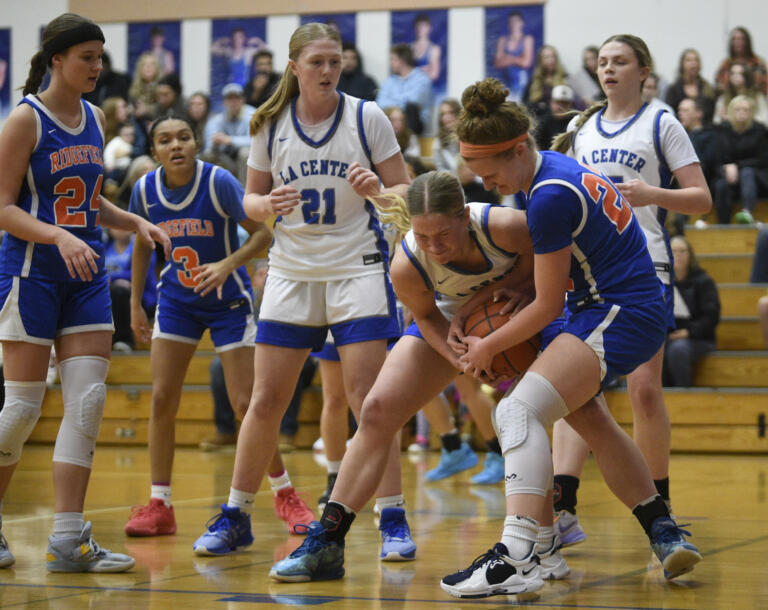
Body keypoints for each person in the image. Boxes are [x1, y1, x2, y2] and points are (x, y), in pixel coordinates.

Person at [441, 78, 700, 597]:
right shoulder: (556, 172)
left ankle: (519, 552)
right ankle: (661, 529)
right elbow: (550, 277)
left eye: (491, 174)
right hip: (616, 301)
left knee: (515, 412)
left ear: (519, 149)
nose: (488, 186)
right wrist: (501, 297)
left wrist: (488, 344)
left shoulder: (549, 196)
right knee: (589, 417)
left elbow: (545, 303)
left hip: (619, 309)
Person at [267, 170, 556, 585]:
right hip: (448, 321)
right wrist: (464, 355)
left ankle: (548, 539)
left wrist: (518, 289)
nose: (433, 247)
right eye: (423, 237)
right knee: (378, 409)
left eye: (442, 235)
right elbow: (425, 316)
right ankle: (328, 540)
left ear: (465, 217)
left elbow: (547, 256)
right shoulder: (407, 263)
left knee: (552, 414)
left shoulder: (504, 226)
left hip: (528, 312)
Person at [192, 22, 412, 560]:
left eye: (335, 61)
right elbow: (249, 200)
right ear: (294, 67)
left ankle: (393, 519)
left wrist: (379, 192)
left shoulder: (367, 115)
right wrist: (264, 207)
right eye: (317, 62)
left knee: (370, 402)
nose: (329, 71)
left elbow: (407, 189)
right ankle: (237, 513)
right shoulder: (270, 122)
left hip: (356, 268)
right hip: (291, 270)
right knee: (266, 400)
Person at [0, 12, 170, 572]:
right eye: (87, 58)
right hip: (31, 273)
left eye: (100, 58)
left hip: (87, 274)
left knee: (89, 403)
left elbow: (88, 199)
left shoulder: (96, 117)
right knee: (22, 409)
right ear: (56, 59)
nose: (98, 67)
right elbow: (3, 208)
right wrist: (54, 236)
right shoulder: (24, 120)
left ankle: (68, 540)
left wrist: (134, 222)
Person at [549, 33, 711, 545]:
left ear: (643, 71)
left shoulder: (662, 122)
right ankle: (563, 508)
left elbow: (702, 199)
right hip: (589, 270)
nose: (609, 69)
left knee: (643, 389)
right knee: (575, 389)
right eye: (602, 62)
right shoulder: (579, 128)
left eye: (620, 62)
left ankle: (660, 507)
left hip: (647, 266)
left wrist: (651, 193)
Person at [123, 114, 314, 538]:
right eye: (165, 139)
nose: (176, 146)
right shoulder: (144, 190)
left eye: (184, 137)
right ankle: (160, 505)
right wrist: (136, 303)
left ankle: (285, 495)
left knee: (247, 404)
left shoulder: (218, 182)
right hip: (176, 301)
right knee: (160, 398)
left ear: (195, 142)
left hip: (228, 302)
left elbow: (262, 236)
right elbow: (141, 242)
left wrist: (227, 265)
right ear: (153, 150)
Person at [663, 236, 719, 387]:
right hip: (669, 336)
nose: (678, 255)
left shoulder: (704, 281)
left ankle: (682, 395)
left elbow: (711, 316)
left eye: (682, 251)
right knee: (653, 350)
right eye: (674, 251)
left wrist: (688, 332)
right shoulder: (663, 282)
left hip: (698, 338)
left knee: (678, 350)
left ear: (690, 255)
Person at [712, 95, 768, 224]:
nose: (742, 113)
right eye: (738, 109)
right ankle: (723, 224)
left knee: (747, 172)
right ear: (731, 112)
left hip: (756, 176)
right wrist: (725, 169)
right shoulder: (723, 130)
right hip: (729, 176)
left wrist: (737, 166)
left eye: (746, 110)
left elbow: (763, 160)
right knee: (721, 185)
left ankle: (747, 212)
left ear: (752, 113)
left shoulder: (760, 130)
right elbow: (717, 160)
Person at [104, 227, 157, 352]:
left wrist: (115, 278)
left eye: (123, 225)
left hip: (142, 297)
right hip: (111, 294)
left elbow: (144, 274)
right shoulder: (105, 247)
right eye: (115, 226)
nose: (120, 229)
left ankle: (124, 341)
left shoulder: (143, 245)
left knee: (120, 291)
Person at [201, 83, 256, 184]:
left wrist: (230, 140)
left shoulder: (252, 114)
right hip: (229, 159)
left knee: (244, 153)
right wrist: (215, 144)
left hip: (250, 159)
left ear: (243, 100)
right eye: (230, 99)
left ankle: (244, 193)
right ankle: (211, 193)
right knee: (208, 155)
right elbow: (209, 147)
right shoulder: (217, 119)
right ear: (224, 102)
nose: (233, 102)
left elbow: (255, 141)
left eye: (237, 98)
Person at [377, 43, 434, 135]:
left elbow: (413, 102)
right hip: (390, 127)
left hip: (415, 129)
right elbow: (380, 103)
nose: (390, 63)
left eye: (393, 59)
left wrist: (392, 103)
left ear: (402, 60)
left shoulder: (422, 79)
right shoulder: (388, 81)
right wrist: (399, 106)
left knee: (410, 109)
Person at [665, 49, 716, 125]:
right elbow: (670, 114)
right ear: (682, 65)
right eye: (688, 60)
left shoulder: (707, 88)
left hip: (704, 131)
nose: (693, 63)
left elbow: (710, 114)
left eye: (696, 60)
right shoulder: (674, 90)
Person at [493, 11, 534, 102]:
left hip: (521, 83)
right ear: (508, 24)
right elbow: (498, 63)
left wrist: (508, 58)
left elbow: (526, 63)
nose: (514, 24)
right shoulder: (503, 40)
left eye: (516, 21)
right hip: (505, 82)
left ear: (522, 23)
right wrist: (518, 59)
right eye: (511, 22)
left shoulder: (527, 39)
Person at [715, 27, 767, 96]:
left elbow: (765, 87)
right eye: (735, 39)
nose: (738, 42)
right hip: (730, 101)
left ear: (747, 41)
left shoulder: (758, 63)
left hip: (754, 101)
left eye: (741, 39)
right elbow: (719, 87)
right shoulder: (726, 64)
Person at [713, 62, 768, 126]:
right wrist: (722, 119)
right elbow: (716, 122)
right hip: (729, 133)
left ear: (747, 76)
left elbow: (764, 121)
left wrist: (744, 119)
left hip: (752, 133)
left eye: (740, 74)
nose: (735, 76)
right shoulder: (724, 98)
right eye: (733, 74)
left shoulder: (757, 97)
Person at [523, 45, 568, 118]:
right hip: (539, 121)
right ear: (541, 60)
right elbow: (525, 104)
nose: (551, 60)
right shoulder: (534, 80)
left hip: (560, 121)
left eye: (553, 56)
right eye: (547, 57)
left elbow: (572, 104)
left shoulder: (565, 78)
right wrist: (540, 106)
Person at [533, 84, 575, 151]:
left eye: (564, 103)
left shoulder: (575, 122)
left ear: (571, 104)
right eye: (558, 102)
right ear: (551, 103)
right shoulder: (543, 122)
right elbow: (536, 146)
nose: (561, 107)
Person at [411, 14, 442, 84]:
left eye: (424, 26)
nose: (421, 29)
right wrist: (424, 69)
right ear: (415, 28)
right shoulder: (409, 48)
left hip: (426, 88)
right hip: (411, 88)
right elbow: (405, 72)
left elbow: (434, 74)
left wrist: (415, 71)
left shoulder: (434, 49)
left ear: (429, 28)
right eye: (418, 26)